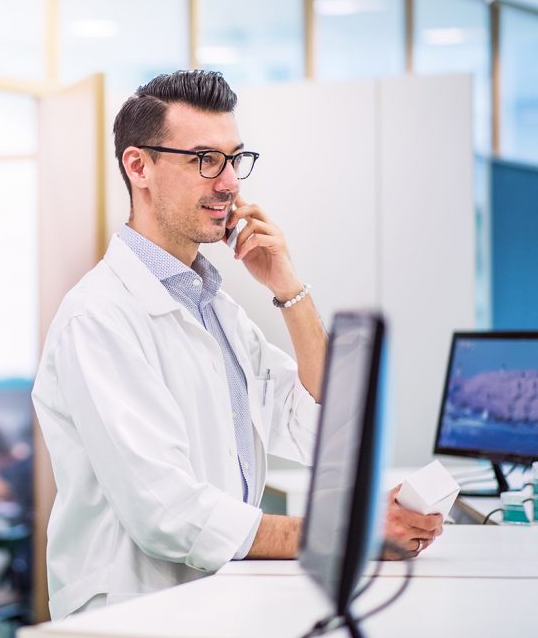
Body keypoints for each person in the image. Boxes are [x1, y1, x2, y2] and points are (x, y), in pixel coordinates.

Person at [31, 70, 444, 620]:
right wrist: (346, 533)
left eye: (234, 159)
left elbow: (316, 427)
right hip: (132, 613)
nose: (229, 183)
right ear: (139, 166)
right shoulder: (99, 317)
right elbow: (168, 513)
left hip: (213, 602)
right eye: (204, 159)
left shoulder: (216, 309)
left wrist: (288, 290)